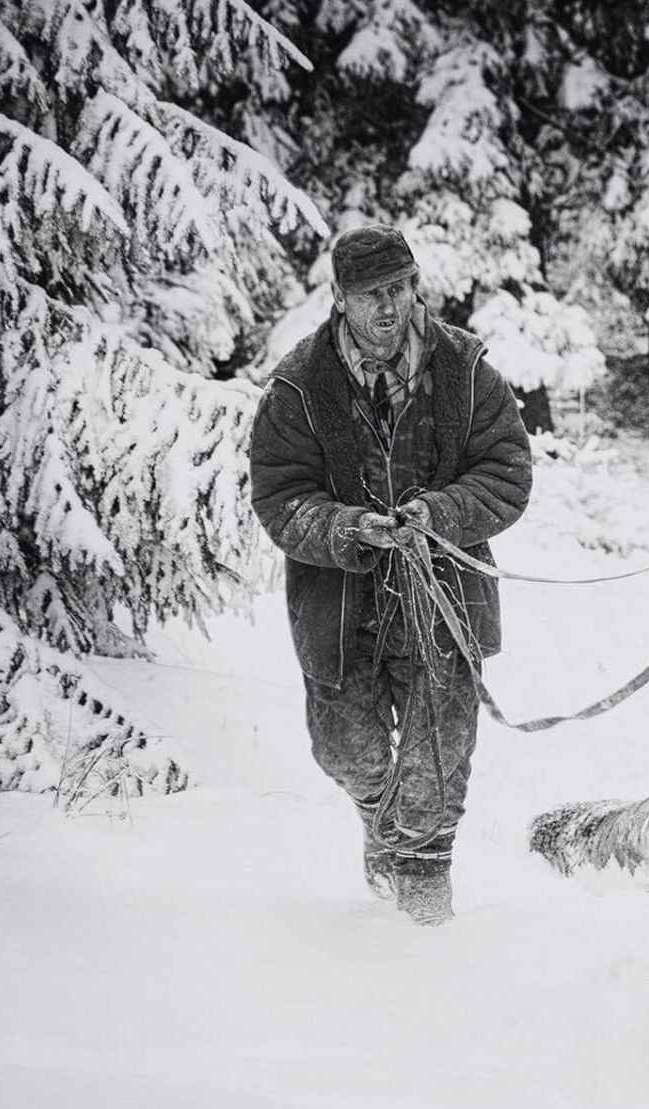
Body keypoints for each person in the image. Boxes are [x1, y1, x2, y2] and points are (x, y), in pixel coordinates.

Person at [249, 224, 532, 924]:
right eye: (372, 293)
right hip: (338, 605)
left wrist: (439, 513)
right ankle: (382, 820)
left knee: (440, 754)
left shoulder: (466, 369)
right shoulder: (298, 385)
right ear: (340, 298)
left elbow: (507, 473)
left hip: (444, 596)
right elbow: (280, 499)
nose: (389, 306)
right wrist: (349, 528)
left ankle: (425, 895)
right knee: (345, 751)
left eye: (400, 288)